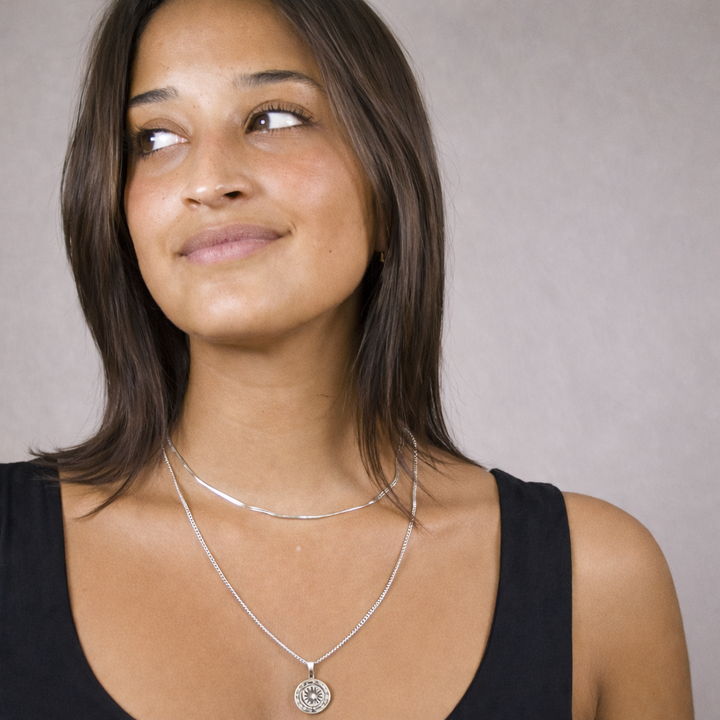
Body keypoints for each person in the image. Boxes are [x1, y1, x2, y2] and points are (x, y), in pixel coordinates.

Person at [0, 0, 694, 717]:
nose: (208, 179)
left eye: (273, 117)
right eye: (157, 135)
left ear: (387, 187)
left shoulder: (598, 584)